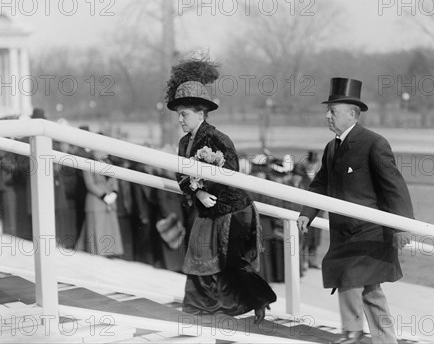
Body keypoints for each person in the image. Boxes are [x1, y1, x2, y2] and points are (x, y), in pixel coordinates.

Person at [296, 78, 414, 344]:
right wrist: (307, 213)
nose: (327, 115)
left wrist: (404, 227)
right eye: (328, 110)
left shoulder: (374, 143)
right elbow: (320, 184)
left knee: (349, 277)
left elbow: (394, 187)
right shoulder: (331, 148)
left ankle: (353, 333)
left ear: (352, 114)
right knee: (370, 290)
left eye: (333, 111)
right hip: (344, 233)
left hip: (368, 233)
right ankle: (386, 340)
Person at [166, 56, 276, 323]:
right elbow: (181, 174)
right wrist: (198, 192)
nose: (180, 119)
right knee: (200, 256)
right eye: (178, 114)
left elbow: (231, 171)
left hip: (234, 210)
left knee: (231, 262)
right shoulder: (183, 143)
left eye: (185, 114)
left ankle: (257, 301)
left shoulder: (218, 138)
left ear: (201, 113)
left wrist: (206, 186)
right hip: (208, 210)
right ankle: (202, 309)